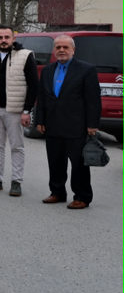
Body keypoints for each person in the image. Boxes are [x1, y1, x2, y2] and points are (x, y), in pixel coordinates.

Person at [37, 35, 101, 209]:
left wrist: (92, 124)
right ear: (54, 50)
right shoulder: (48, 70)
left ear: (73, 50)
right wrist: (40, 120)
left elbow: (93, 100)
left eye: (65, 47)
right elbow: (42, 97)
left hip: (76, 126)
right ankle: (57, 192)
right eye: (58, 47)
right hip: (53, 124)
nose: (62, 50)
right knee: (55, 162)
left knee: (78, 164)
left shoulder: (86, 69)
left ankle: (82, 196)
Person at [0, 26, 38, 197]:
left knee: (17, 147)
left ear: (13, 38)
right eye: (0, 37)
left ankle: (16, 182)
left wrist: (27, 110)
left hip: (15, 110)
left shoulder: (25, 56)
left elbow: (34, 84)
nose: (3, 40)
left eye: (7, 37)